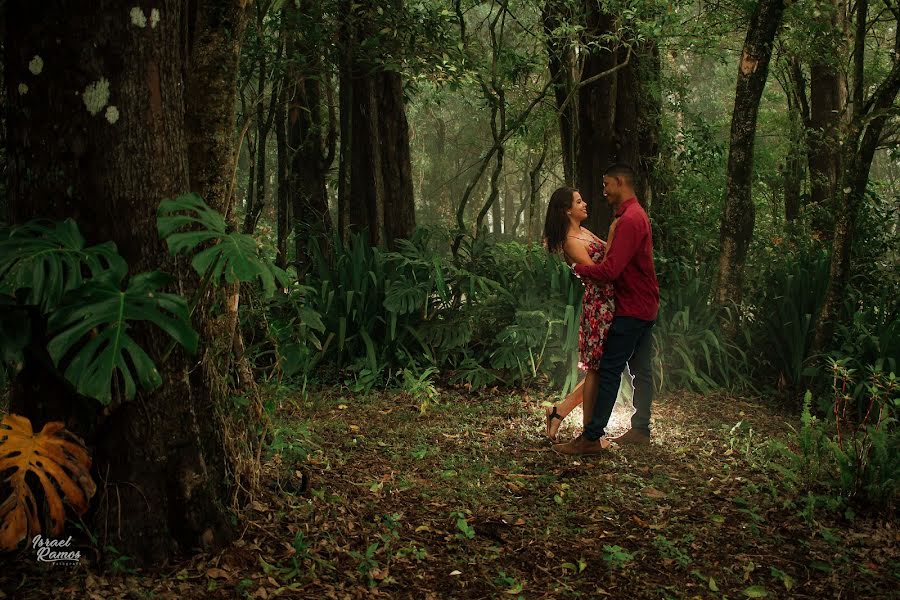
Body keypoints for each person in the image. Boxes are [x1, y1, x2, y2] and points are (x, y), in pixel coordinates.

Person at [554, 163, 660, 455]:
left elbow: (610, 269)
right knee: (641, 370)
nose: (602, 191)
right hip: (642, 304)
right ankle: (640, 429)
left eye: (606, 185)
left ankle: (591, 436)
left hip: (630, 305)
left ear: (619, 182)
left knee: (609, 370)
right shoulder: (630, 217)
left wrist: (578, 269)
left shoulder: (629, 220)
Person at [542, 186, 617, 443]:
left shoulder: (583, 232)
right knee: (601, 370)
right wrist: (613, 233)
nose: (585, 204)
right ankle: (587, 433)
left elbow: (610, 252)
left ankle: (559, 412)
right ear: (567, 210)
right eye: (578, 201)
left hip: (610, 303)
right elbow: (601, 272)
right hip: (599, 307)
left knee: (601, 369)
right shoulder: (571, 242)